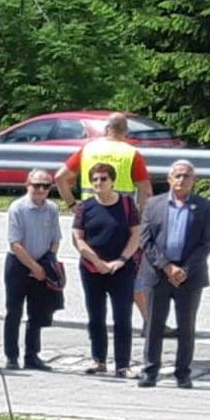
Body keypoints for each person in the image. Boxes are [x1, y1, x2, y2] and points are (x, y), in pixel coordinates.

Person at [55, 114, 154, 323]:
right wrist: (142, 220)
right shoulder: (130, 153)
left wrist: (73, 205)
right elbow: (145, 190)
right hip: (122, 217)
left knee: (93, 265)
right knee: (130, 267)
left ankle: (100, 330)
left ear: (106, 129)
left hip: (89, 218)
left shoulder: (89, 149)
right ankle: (149, 321)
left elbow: (60, 177)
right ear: (125, 132)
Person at [139, 160, 210, 389]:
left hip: (189, 277)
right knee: (154, 325)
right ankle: (150, 371)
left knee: (186, 326)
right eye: (177, 175)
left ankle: (183, 373)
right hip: (159, 274)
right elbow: (146, 240)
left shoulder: (203, 206)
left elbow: (206, 243)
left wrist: (184, 270)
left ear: (194, 181)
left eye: (187, 176)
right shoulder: (153, 204)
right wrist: (167, 266)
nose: (181, 180)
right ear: (169, 179)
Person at [71, 162, 142, 378]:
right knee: (96, 316)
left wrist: (120, 260)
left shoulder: (127, 204)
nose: (99, 183)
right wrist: (97, 262)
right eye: (95, 180)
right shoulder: (85, 207)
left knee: (122, 316)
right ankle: (98, 360)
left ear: (112, 181)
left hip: (121, 269)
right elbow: (78, 239)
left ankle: (123, 365)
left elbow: (136, 235)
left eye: (103, 179)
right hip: (92, 270)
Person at [3, 170, 62, 372]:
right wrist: (34, 267)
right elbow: (15, 244)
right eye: (36, 185)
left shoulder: (52, 209)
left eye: (45, 186)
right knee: (14, 311)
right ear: (27, 185)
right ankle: (11, 356)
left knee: (36, 312)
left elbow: (55, 240)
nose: (40, 190)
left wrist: (45, 264)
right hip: (18, 264)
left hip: (42, 263)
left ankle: (32, 355)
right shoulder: (17, 208)